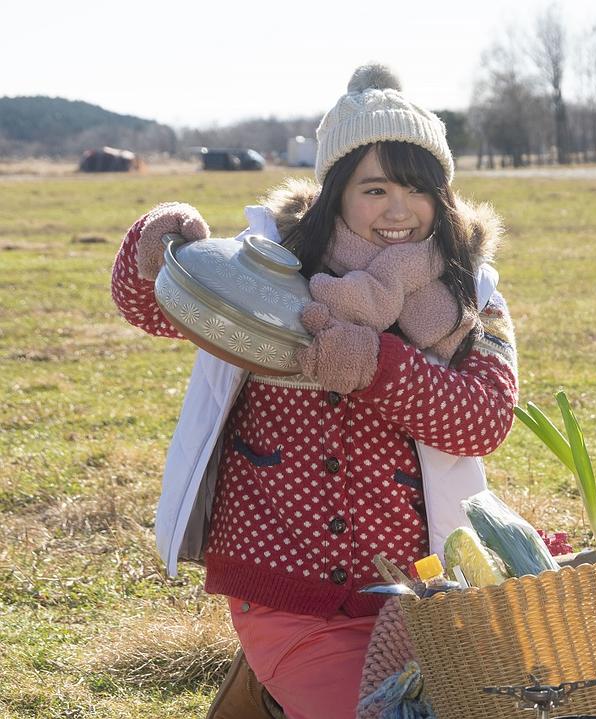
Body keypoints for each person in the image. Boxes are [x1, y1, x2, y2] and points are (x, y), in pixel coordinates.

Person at [110, 64, 518, 719]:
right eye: (375, 187)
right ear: (336, 192)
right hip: (283, 589)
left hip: (421, 599)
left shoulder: (469, 297)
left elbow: (484, 420)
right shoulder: (272, 269)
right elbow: (154, 306)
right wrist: (158, 240)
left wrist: (377, 365)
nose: (397, 209)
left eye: (417, 189)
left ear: (442, 197)